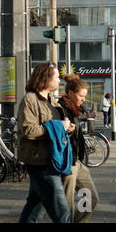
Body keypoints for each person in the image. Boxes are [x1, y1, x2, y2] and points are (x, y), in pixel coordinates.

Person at [17, 62, 74, 223]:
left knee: (33, 209)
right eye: (56, 76)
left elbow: (55, 130)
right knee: (62, 213)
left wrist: (66, 128)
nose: (59, 80)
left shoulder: (52, 101)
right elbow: (28, 130)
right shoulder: (30, 100)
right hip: (40, 162)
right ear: (45, 78)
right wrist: (57, 127)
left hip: (50, 159)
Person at [58, 74, 99, 223]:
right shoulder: (60, 109)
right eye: (81, 96)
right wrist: (66, 130)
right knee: (66, 206)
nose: (83, 99)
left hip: (77, 162)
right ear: (70, 93)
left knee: (90, 198)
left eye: (84, 96)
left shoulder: (74, 108)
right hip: (67, 163)